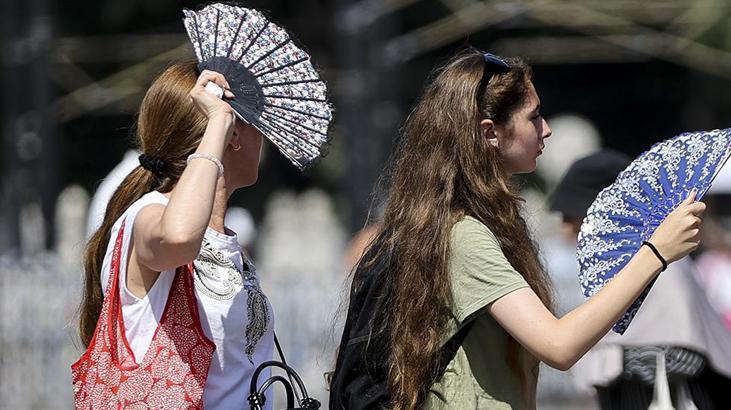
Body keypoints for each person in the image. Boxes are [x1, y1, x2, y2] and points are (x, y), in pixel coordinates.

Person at [330, 49, 706, 409]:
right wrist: (655, 253)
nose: (547, 130)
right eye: (534, 117)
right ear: (490, 132)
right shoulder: (464, 236)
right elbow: (558, 345)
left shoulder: (466, 225)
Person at [73, 62, 275, 409]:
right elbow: (180, 238)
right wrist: (218, 125)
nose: (264, 134)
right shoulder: (148, 214)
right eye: (254, 121)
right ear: (232, 134)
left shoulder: (228, 240)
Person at [549, 150, 731, 409]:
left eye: (573, 218)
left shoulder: (655, 259)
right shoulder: (630, 259)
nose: (566, 229)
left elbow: (682, 354)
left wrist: (625, 358)